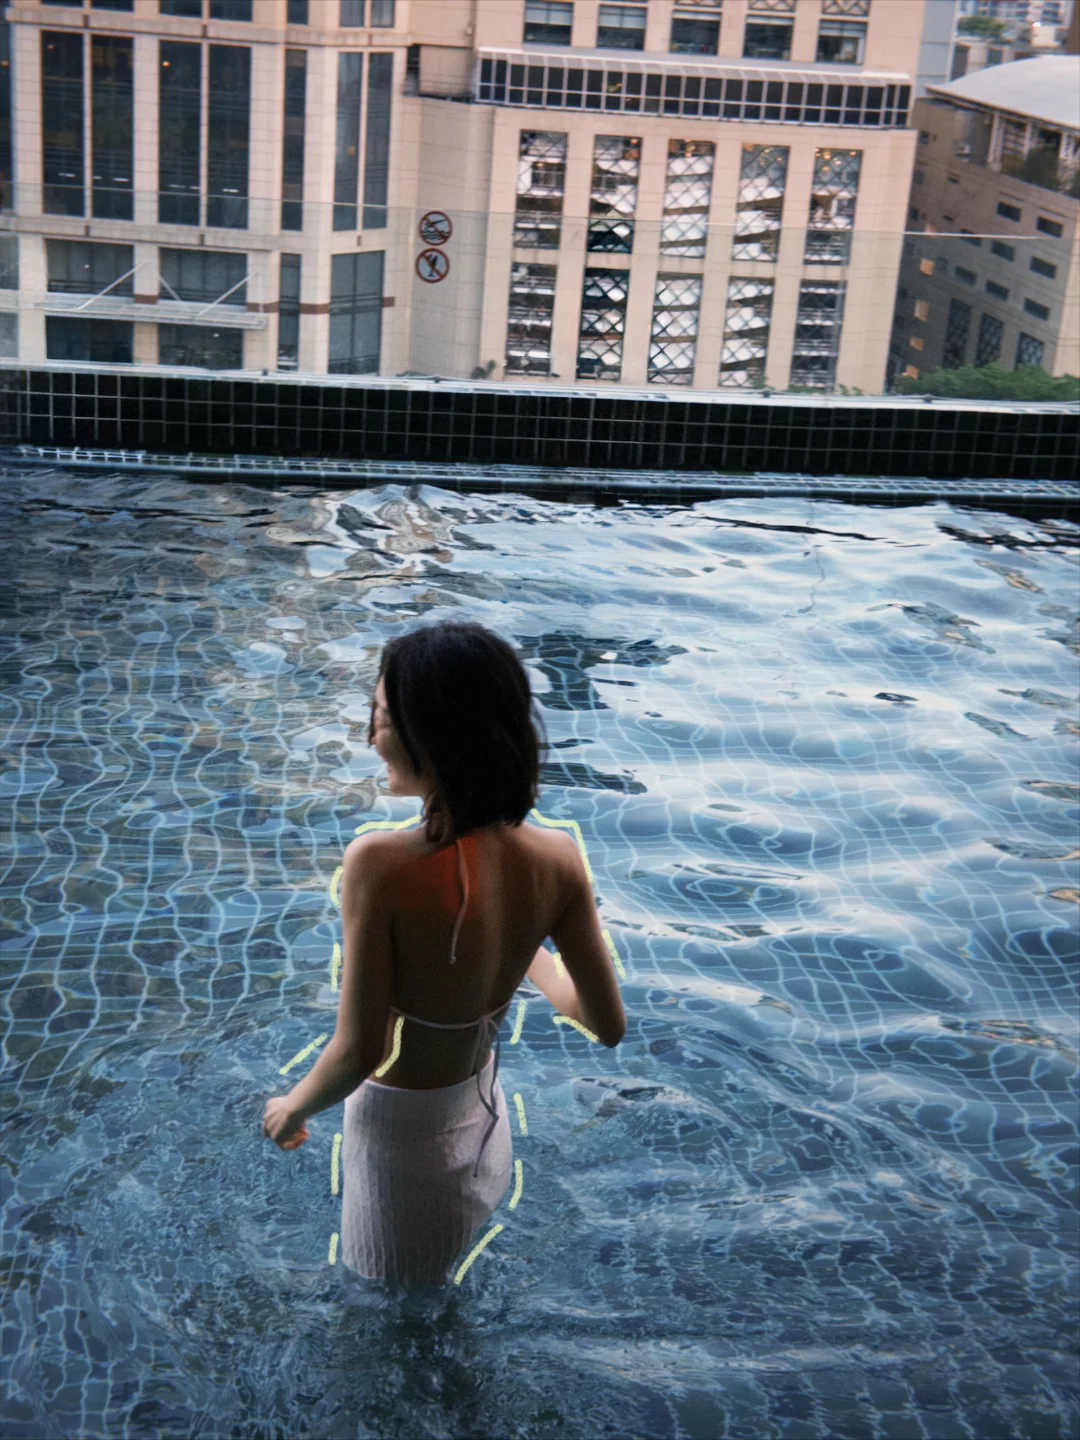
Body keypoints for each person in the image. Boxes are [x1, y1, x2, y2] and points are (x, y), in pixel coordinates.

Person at [262, 620, 626, 1287]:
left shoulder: (379, 862)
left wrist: (292, 1108)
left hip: (401, 1144)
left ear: (431, 734)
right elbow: (607, 1025)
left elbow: (359, 1051)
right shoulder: (559, 857)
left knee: (384, 1315)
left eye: (379, 718)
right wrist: (523, 948)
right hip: (484, 1120)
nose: (368, 737)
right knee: (444, 1304)